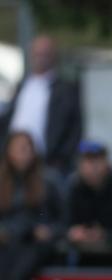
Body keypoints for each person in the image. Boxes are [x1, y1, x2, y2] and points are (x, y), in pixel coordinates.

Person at [0, 131, 63, 280]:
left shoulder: (48, 181)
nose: (23, 154)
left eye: (27, 149)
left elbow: (62, 220)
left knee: (22, 264)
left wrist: (48, 231)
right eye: (18, 149)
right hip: (7, 243)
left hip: (34, 245)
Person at [0, 35, 82, 176]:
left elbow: (75, 126)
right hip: (12, 161)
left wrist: (62, 158)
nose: (41, 58)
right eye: (37, 53)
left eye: (45, 53)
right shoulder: (22, 85)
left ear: (54, 56)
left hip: (48, 163)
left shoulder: (65, 89)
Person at [65, 140, 112, 249]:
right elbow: (63, 225)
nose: (91, 168)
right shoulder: (74, 190)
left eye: (96, 161)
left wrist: (105, 235)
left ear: (106, 163)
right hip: (82, 255)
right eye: (87, 161)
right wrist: (72, 232)